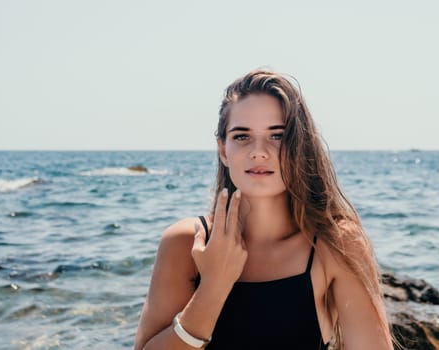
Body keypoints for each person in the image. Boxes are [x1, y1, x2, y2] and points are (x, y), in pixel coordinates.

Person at [134, 70, 393, 349]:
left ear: (300, 146)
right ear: (223, 150)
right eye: (242, 136)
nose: (259, 151)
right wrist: (213, 287)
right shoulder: (186, 243)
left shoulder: (335, 244)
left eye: (277, 136)